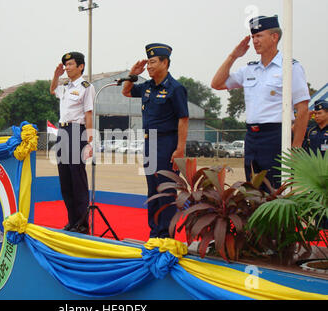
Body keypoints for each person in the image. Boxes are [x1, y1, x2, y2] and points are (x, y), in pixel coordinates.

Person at [211, 15, 310, 190]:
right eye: (253, 36)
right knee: (252, 190)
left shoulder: (290, 67)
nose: (255, 41)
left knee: (275, 191)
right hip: (252, 137)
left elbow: (302, 108)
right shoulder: (250, 69)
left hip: (275, 136)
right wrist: (233, 56)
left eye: (259, 36)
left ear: (274, 37)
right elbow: (217, 83)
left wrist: (296, 146)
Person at [122, 43, 189, 238]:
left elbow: (183, 119)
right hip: (149, 143)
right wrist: (133, 74)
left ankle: (166, 235)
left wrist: (180, 150)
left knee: (166, 190)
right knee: (152, 189)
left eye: (152, 62)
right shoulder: (147, 87)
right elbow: (126, 91)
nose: (149, 66)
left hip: (167, 144)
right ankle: (155, 232)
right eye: (148, 62)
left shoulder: (175, 88)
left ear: (165, 62)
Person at [50, 51, 95, 234]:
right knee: (65, 179)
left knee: (77, 179)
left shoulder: (86, 87)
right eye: (65, 65)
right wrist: (56, 75)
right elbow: (53, 89)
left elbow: (89, 114)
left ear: (80, 66)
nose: (67, 68)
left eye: (70, 65)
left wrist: (89, 141)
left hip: (77, 132)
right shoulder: (66, 86)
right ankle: (72, 221)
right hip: (62, 131)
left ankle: (82, 224)